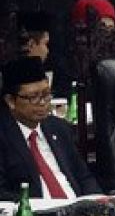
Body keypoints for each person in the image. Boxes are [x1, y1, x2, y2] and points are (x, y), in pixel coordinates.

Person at [0, 57, 100, 201]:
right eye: (34, 97)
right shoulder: (4, 136)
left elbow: (84, 177)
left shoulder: (59, 127)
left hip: (78, 212)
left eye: (46, 95)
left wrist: (97, 204)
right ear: (11, 101)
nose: (43, 103)